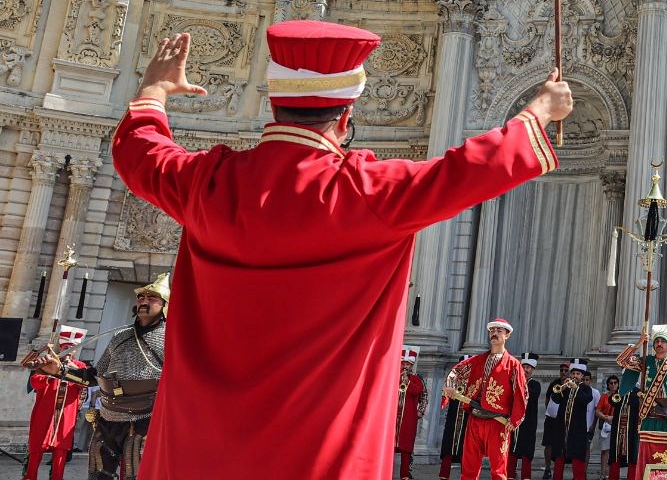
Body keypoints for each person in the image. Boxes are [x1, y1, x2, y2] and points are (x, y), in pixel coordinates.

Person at [103, 23, 571, 478]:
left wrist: (154, 91)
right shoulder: (369, 192)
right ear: (344, 120)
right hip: (319, 455)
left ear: (274, 106)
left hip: (197, 452)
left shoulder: (206, 182)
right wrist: (539, 112)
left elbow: (139, 151)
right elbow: (471, 168)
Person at [45, 273, 168, 480]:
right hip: (108, 415)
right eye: (141, 297)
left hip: (145, 418)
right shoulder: (119, 336)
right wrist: (59, 371)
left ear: (164, 304)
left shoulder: (170, 337)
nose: (144, 301)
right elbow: (96, 374)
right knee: (98, 475)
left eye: (152, 297)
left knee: (136, 475)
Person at [451, 319, 532, 480]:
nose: (494, 333)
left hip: (498, 422)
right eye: (492, 330)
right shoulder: (478, 360)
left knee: (498, 470)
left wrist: (515, 420)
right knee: (468, 467)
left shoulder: (514, 365)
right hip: (475, 419)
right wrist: (449, 385)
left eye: (499, 331)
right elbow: (456, 371)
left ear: (507, 335)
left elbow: (522, 394)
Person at [23, 325, 88, 480]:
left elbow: (84, 383)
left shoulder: (80, 366)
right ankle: (30, 476)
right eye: (66, 347)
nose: (69, 351)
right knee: (36, 446)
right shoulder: (48, 361)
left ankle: (57, 477)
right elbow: (35, 381)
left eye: (72, 348)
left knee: (61, 448)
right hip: (45, 411)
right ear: (60, 347)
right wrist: (49, 372)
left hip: (66, 414)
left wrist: (72, 369)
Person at [620, 328, 667, 434]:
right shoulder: (645, 361)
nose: (659, 343)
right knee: (648, 449)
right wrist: (639, 344)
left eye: (663, 341)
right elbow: (622, 361)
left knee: (666, 449)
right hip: (648, 415)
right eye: (657, 341)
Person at [550, 360, 598, 480]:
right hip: (562, 428)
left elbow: (585, 400)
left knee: (577, 460)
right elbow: (555, 398)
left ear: (582, 376)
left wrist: (576, 388)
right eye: (574, 373)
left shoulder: (586, 389)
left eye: (578, 374)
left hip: (577, 430)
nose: (575, 376)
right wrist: (563, 387)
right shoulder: (565, 387)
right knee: (559, 457)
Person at [511, 356, 545, 480]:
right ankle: (510, 475)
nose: (525, 370)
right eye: (523, 367)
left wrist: (521, 382)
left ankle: (526, 477)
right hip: (514, 420)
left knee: (526, 451)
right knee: (512, 449)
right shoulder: (514, 381)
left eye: (528, 368)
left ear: (532, 369)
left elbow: (532, 395)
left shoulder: (535, 384)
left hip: (528, 422)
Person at [441, 356, 474, 479]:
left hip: (468, 418)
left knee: (467, 449)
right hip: (453, 418)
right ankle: (443, 475)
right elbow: (444, 395)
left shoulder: (476, 382)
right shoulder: (452, 380)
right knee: (448, 446)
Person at [398, 346, 428, 480]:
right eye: (403, 363)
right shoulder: (394, 377)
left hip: (408, 418)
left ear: (412, 365)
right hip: (393, 417)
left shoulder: (416, 379)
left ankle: (405, 474)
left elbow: (417, 392)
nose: (405, 366)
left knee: (406, 448)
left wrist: (407, 381)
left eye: (408, 364)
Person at [544, 362, 573, 478]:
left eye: (566, 370)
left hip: (565, 419)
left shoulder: (572, 385)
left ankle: (559, 469)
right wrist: (550, 411)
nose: (563, 372)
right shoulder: (554, 383)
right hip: (552, 418)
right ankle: (547, 469)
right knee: (548, 443)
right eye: (562, 370)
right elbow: (547, 398)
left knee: (562, 444)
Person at [597, 375, 621, 480]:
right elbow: (597, 411)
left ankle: (612, 474)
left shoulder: (621, 396)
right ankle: (603, 473)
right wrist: (605, 417)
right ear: (608, 385)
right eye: (611, 383)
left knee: (615, 451)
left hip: (617, 425)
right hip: (606, 425)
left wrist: (613, 417)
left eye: (615, 382)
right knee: (605, 450)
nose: (613, 385)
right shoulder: (604, 396)